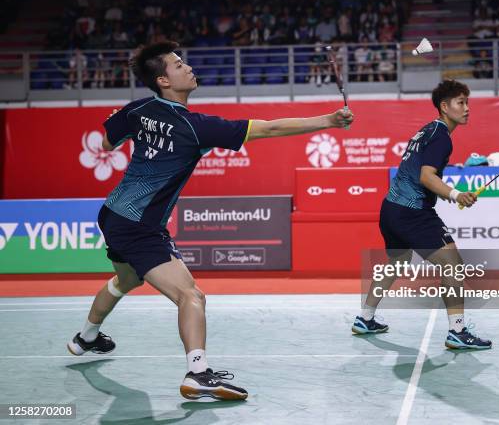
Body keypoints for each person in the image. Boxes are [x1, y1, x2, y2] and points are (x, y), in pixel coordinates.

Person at [67, 41, 354, 400]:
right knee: (192, 296)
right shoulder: (196, 127)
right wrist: (328, 120)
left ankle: (85, 338)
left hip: (113, 215)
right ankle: (198, 374)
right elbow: (268, 129)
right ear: (163, 80)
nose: (187, 67)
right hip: (140, 226)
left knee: (125, 279)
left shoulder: (137, 110)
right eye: (177, 64)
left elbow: (108, 143)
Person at [351, 80, 492, 351]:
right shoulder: (441, 137)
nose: (467, 109)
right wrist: (456, 194)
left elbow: (421, 176)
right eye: (461, 103)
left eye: (467, 102)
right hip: (412, 212)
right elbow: (426, 177)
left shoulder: (427, 130)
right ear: (444, 106)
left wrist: (445, 192)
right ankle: (458, 331)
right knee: (453, 265)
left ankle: (365, 318)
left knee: (397, 262)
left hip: (390, 208)